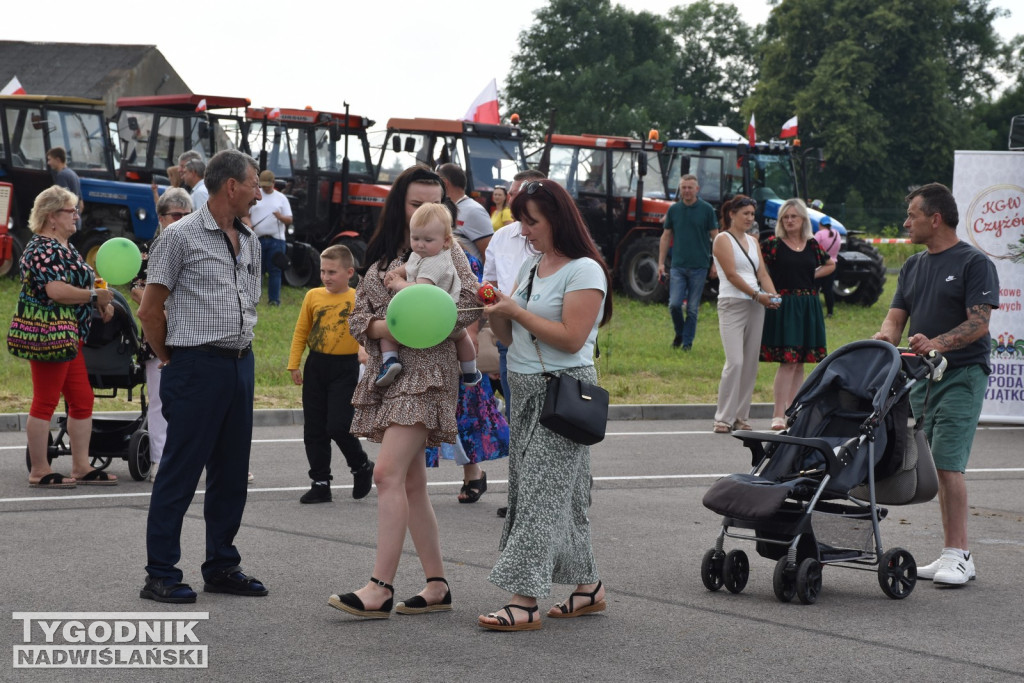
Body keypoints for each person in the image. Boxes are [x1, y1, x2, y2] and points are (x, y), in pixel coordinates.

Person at [328, 165, 481, 619]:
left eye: (436, 202)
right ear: (401, 206)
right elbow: (359, 320)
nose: (426, 212)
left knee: (386, 474)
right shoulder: (381, 260)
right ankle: (437, 585)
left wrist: (419, 314)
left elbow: (469, 307)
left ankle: (380, 587)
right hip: (392, 374)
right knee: (412, 482)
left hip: (430, 374)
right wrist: (388, 324)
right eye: (416, 203)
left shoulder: (450, 253)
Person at [478, 179, 611, 632]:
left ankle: (524, 601)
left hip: (565, 392)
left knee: (539, 494)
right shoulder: (535, 266)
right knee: (562, 496)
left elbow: (572, 338)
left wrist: (515, 311)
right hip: (527, 389)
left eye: (531, 221)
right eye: (521, 221)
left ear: (557, 218)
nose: (525, 230)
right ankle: (588, 588)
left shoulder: (585, 270)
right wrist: (496, 311)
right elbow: (509, 339)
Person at [137, 149, 266, 604]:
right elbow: (150, 310)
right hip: (195, 364)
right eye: (254, 182)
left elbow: (247, 304)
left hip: (239, 362)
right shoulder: (180, 237)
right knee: (181, 470)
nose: (259, 191)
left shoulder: (251, 239)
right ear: (232, 185)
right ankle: (161, 573)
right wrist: (172, 357)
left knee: (231, 472)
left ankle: (221, 565)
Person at [873, 182, 998, 587]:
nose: (906, 222)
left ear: (935, 218)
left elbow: (979, 323)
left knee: (947, 464)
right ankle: (954, 554)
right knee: (924, 462)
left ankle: (957, 555)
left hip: (962, 375)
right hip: (921, 379)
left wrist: (937, 344)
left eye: (912, 214)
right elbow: (895, 318)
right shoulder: (912, 265)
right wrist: (880, 342)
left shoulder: (973, 263)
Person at [21, 186, 117, 488]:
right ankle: (39, 469)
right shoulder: (42, 248)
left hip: (68, 335)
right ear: (51, 216)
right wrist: (93, 297)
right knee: (45, 400)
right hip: (49, 333)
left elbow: (84, 280)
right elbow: (56, 291)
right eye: (70, 210)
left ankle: (80, 465)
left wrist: (103, 299)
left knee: (82, 398)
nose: (76, 214)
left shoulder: (64, 246)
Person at [287, 244, 375, 504]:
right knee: (314, 428)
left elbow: (367, 329)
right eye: (323, 271)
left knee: (337, 424)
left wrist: (364, 349)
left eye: (332, 272)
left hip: (345, 368)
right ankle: (320, 482)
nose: (326, 277)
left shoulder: (358, 297)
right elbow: (301, 330)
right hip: (316, 365)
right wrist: (294, 364)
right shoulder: (313, 296)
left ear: (349, 272)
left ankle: (360, 465)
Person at [484, 168, 545, 518]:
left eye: (520, 193)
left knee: (553, 417)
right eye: (510, 193)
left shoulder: (557, 243)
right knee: (517, 417)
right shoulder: (503, 237)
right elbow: (488, 283)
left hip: (546, 341)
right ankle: (520, 497)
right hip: (508, 339)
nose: (512, 199)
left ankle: (568, 483)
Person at [377, 202, 481, 387]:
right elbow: (410, 265)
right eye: (415, 238)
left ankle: (390, 360)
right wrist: (396, 273)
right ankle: (470, 370)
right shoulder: (424, 253)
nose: (420, 245)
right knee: (461, 337)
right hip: (438, 313)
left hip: (434, 313)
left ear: (446, 241)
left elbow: (421, 290)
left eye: (427, 240)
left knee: (389, 330)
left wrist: (399, 284)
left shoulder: (438, 262)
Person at [129, 187, 193, 482]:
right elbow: (136, 288)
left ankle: (220, 462)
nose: (182, 218)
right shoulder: (146, 250)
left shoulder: (201, 247)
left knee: (203, 401)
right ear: (162, 217)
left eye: (187, 214)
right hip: (158, 334)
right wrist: (162, 305)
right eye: (176, 214)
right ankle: (159, 461)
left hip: (196, 334)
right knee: (159, 400)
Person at [760, 198, 835, 430]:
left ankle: (793, 411)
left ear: (803, 219)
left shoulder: (812, 245)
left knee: (801, 361)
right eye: (786, 217)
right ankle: (778, 413)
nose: (789, 220)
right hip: (785, 305)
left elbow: (831, 264)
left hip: (808, 305)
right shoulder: (773, 244)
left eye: (794, 216)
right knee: (787, 361)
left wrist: (812, 276)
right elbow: (759, 268)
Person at [710, 195, 780, 434]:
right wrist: (757, 295)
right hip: (732, 302)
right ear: (732, 214)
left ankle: (741, 416)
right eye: (746, 214)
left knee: (750, 363)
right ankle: (723, 417)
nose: (750, 218)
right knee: (735, 361)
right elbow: (731, 275)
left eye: (752, 214)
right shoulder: (722, 239)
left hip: (756, 304)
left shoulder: (752, 241)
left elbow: (762, 273)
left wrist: (773, 296)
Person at [657, 174, 719, 350]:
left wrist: (716, 263)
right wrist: (661, 263)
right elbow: (665, 236)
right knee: (674, 304)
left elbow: (717, 238)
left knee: (692, 308)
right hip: (678, 265)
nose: (686, 191)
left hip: (699, 266)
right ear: (680, 189)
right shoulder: (674, 210)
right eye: (683, 187)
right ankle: (680, 333)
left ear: (697, 189)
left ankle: (687, 343)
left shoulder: (706, 210)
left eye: (690, 187)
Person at [250, 170, 293, 306]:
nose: (265, 188)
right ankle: (253, 300)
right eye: (263, 185)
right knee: (257, 271)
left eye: (268, 185)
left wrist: (280, 217)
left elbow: (289, 219)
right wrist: (249, 224)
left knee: (275, 270)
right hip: (257, 238)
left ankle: (274, 300)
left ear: (273, 183)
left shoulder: (281, 198)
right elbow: (245, 213)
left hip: (276, 240)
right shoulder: (255, 196)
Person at [437, 162, 493, 264]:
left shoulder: (474, 211)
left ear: (444, 183)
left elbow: (489, 255)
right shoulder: (447, 208)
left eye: (436, 182)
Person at [46, 147, 83, 229]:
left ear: (58, 160)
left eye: (50, 159)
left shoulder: (62, 176)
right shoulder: (73, 174)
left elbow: (62, 202)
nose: (48, 163)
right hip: (75, 222)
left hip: (66, 224)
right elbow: (81, 204)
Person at [813, 215, 841, 317]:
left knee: (815, 289)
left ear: (820, 224)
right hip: (833, 264)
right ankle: (830, 312)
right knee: (828, 289)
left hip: (821, 265)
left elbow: (813, 247)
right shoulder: (837, 234)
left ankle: (815, 311)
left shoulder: (819, 234)